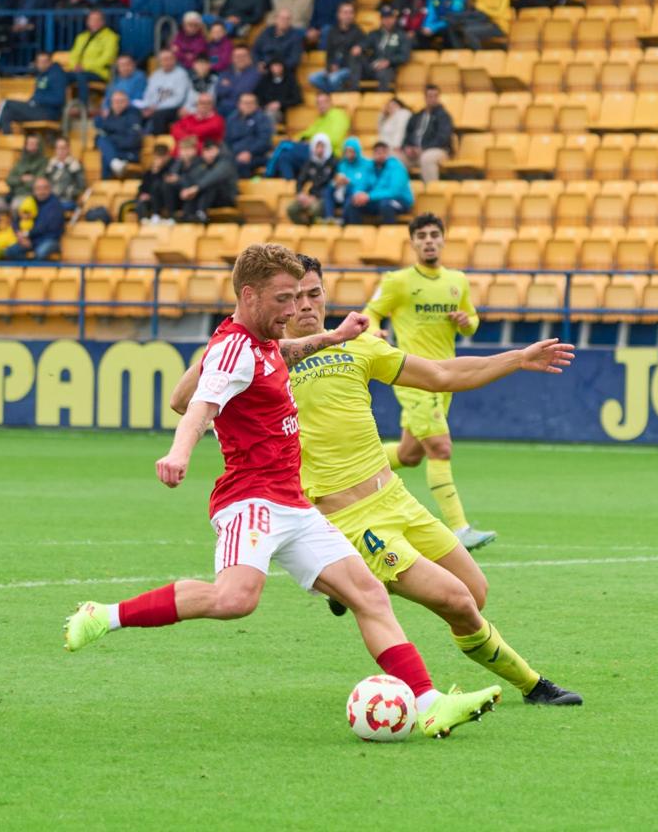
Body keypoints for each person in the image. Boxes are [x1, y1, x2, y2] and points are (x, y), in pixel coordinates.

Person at [62, 244, 504, 739]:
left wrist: (334, 336)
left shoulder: (263, 341)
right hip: (251, 500)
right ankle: (104, 616)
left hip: (293, 502)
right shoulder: (230, 350)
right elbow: (198, 407)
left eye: (299, 297)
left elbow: (284, 352)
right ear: (248, 295)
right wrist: (178, 454)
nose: (294, 310)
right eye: (283, 299)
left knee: (369, 594)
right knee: (235, 600)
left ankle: (427, 703)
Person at [170, 256, 583, 706]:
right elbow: (181, 400)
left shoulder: (359, 346)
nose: (306, 305)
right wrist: (220, 344)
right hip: (344, 516)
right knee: (456, 600)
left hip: (396, 499)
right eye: (295, 296)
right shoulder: (255, 358)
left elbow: (441, 374)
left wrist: (518, 359)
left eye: (314, 293)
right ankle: (532, 685)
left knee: (476, 594)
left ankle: (350, 584)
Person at [364, 213, 495, 550]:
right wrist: (374, 328)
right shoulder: (398, 281)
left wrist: (466, 321)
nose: (429, 240)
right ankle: (460, 528)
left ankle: (354, 461)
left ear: (443, 239)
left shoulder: (457, 281)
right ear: (413, 243)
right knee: (440, 447)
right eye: (421, 236)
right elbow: (371, 311)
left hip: (446, 376)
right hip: (412, 374)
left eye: (434, 234)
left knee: (410, 454)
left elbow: (472, 323)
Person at [265, 91, 350, 179]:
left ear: (330, 102)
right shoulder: (320, 119)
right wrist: (296, 139)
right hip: (313, 150)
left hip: (329, 154)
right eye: (319, 103)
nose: (321, 105)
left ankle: (268, 174)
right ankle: (289, 184)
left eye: (324, 102)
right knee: (284, 156)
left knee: (284, 146)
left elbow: (335, 139)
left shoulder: (339, 116)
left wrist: (313, 142)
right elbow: (307, 133)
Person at [0, 52, 68, 136]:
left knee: (6, 103)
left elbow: (59, 99)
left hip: (49, 113)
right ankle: (7, 137)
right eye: (39, 62)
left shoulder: (57, 75)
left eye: (45, 62)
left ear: (50, 62)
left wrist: (37, 100)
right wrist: (34, 100)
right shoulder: (41, 75)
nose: (42, 65)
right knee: (8, 112)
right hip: (38, 109)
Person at [344, 140, 413, 224]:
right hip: (377, 200)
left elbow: (394, 192)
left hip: (400, 201)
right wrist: (358, 194)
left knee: (386, 205)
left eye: (383, 152)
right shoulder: (369, 167)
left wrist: (369, 196)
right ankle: (356, 233)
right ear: (373, 154)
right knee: (353, 203)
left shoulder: (397, 168)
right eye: (377, 152)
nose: (380, 155)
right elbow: (362, 183)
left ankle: (389, 234)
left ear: (388, 154)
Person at [67, 9, 119, 109]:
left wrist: (84, 67)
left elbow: (107, 58)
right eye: (91, 20)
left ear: (103, 22)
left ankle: (82, 107)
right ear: (87, 22)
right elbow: (73, 55)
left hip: (99, 72)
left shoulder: (111, 37)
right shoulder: (81, 37)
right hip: (79, 71)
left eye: (97, 20)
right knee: (59, 76)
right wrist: (75, 65)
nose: (94, 22)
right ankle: (61, 108)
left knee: (81, 76)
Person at [308, 1, 364, 93]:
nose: (348, 15)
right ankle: (336, 93)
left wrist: (338, 67)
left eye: (351, 12)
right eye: (345, 12)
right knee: (313, 78)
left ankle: (332, 96)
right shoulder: (332, 32)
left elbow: (359, 57)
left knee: (333, 78)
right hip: (333, 69)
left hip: (348, 69)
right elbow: (329, 54)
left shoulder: (358, 32)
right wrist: (330, 67)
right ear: (339, 15)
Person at [176, 139, 237, 224]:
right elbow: (192, 177)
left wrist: (195, 189)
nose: (209, 154)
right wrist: (186, 189)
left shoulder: (225, 162)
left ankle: (201, 214)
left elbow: (214, 177)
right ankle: (188, 214)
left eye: (211, 150)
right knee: (196, 188)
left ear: (218, 150)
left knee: (209, 185)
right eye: (206, 151)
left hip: (226, 197)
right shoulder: (202, 164)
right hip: (211, 199)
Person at [402, 84, 453, 183]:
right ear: (425, 98)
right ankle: (399, 192)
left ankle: (431, 191)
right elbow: (408, 134)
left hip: (437, 150)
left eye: (435, 96)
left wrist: (424, 148)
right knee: (395, 159)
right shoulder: (417, 116)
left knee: (427, 158)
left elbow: (443, 138)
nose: (433, 99)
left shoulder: (444, 116)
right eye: (430, 96)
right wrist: (407, 147)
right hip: (415, 152)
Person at [4, 176, 63, 260]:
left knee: (40, 252)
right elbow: (16, 220)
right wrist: (19, 235)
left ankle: (36, 271)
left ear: (50, 189)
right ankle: (25, 270)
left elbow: (44, 227)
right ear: (34, 190)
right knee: (11, 251)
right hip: (30, 239)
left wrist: (27, 235)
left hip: (49, 239)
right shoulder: (30, 201)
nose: (41, 191)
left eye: (45, 188)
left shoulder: (55, 205)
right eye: (38, 188)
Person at [286, 133, 337, 225]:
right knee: (291, 209)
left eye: (322, 146)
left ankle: (314, 232)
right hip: (311, 196)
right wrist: (300, 194)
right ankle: (304, 229)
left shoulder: (333, 162)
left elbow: (330, 184)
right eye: (318, 146)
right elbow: (300, 180)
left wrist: (315, 198)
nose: (320, 150)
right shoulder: (310, 163)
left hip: (325, 197)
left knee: (314, 209)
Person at [139, 49, 191, 135]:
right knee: (135, 113)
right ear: (160, 62)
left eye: (169, 59)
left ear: (174, 60)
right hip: (154, 107)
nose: (167, 62)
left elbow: (178, 99)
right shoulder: (155, 75)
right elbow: (148, 94)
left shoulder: (181, 74)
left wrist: (156, 108)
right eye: (164, 59)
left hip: (174, 108)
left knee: (159, 115)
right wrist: (148, 106)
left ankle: (159, 141)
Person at [95, 90, 143, 178]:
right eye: (115, 102)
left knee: (106, 154)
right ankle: (114, 164)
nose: (118, 104)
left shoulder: (133, 115)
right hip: (116, 152)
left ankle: (107, 179)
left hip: (129, 153)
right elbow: (98, 131)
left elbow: (132, 141)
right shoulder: (110, 116)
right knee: (101, 139)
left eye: (121, 101)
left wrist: (112, 138)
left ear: (127, 102)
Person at [225, 92, 273, 179]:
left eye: (251, 103)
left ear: (256, 105)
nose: (248, 105)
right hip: (234, 154)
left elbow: (264, 140)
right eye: (245, 103)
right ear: (239, 104)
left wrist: (250, 152)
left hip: (256, 155)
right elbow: (227, 140)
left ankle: (241, 190)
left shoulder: (262, 119)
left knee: (239, 164)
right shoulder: (231, 118)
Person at [363, 7, 412, 92]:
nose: (388, 21)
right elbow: (364, 44)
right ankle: (353, 92)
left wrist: (389, 61)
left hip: (390, 68)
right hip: (372, 66)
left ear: (395, 19)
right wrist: (359, 47)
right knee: (355, 58)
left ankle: (381, 99)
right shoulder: (374, 34)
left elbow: (405, 56)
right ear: (381, 19)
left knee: (384, 74)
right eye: (385, 18)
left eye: (390, 18)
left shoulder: (401, 35)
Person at [331, 136, 372, 219]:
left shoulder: (367, 164)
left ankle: (343, 222)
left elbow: (367, 182)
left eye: (352, 151)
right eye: (347, 151)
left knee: (351, 200)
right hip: (343, 193)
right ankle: (329, 218)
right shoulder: (342, 164)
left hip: (358, 194)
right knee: (328, 190)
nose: (349, 154)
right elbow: (337, 181)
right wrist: (336, 183)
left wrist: (350, 182)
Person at [215, 45, 260, 118]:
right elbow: (219, 90)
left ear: (249, 58)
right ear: (232, 59)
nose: (240, 59)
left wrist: (228, 86)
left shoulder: (255, 74)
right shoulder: (225, 72)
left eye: (243, 56)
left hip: (242, 109)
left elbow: (244, 90)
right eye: (237, 56)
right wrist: (235, 86)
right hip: (222, 108)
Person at [253, 9, 304, 74]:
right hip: (263, 68)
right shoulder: (266, 32)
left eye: (288, 19)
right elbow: (255, 50)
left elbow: (294, 59)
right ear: (276, 19)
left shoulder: (295, 36)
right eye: (282, 18)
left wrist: (279, 67)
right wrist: (258, 63)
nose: (284, 21)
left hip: (283, 72)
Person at [254, 57, 301, 126]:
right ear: (270, 67)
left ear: (283, 67)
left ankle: (267, 135)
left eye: (279, 66)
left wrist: (280, 104)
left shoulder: (290, 80)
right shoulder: (264, 80)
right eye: (274, 66)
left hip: (282, 112)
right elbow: (257, 96)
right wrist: (265, 106)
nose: (276, 68)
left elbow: (297, 98)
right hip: (263, 109)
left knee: (269, 115)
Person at [44, 136, 86, 211]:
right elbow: (45, 182)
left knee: (52, 208)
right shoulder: (50, 165)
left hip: (67, 200)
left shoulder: (75, 165)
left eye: (63, 148)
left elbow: (81, 186)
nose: (61, 151)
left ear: (68, 149)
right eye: (58, 148)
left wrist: (69, 192)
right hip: (50, 199)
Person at [133, 143, 171, 222]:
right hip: (147, 199)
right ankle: (143, 222)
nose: (158, 160)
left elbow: (161, 187)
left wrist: (157, 172)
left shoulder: (168, 171)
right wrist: (142, 195)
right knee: (139, 202)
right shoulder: (148, 173)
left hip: (161, 199)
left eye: (160, 157)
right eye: (156, 157)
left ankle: (155, 216)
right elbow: (143, 187)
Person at [5, 133, 46, 204]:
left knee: (16, 205)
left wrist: (20, 182)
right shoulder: (20, 161)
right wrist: (21, 179)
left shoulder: (43, 162)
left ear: (38, 146)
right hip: (13, 194)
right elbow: (9, 180)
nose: (31, 145)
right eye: (29, 143)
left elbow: (38, 183)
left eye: (33, 143)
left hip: (30, 195)